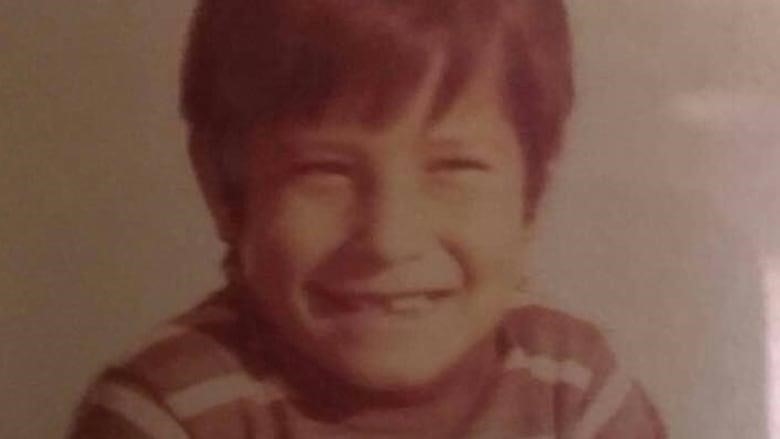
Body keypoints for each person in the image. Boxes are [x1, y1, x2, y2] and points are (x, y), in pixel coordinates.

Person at [70, 0, 666, 437]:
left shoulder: (574, 386)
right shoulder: (168, 414)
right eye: (324, 171)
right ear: (225, 189)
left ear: (532, 191)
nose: (388, 238)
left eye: (454, 167)